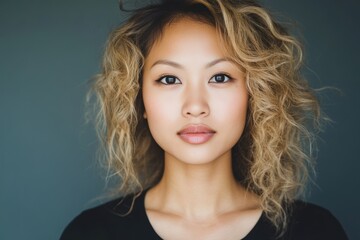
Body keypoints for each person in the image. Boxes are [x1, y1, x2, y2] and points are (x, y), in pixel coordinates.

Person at [60, 0, 348, 239]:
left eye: (220, 77)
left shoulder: (315, 231)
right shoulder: (91, 233)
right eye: (169, 79)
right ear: (139, 99)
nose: (195, 106)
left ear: (255, 94)